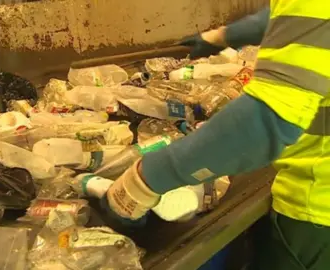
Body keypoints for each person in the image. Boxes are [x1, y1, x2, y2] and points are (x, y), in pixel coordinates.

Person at [99, 2, 330, 269]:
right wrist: (223, 36)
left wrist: (142, 182)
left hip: (317, 219)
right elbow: (295, 18)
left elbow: (263, 123)